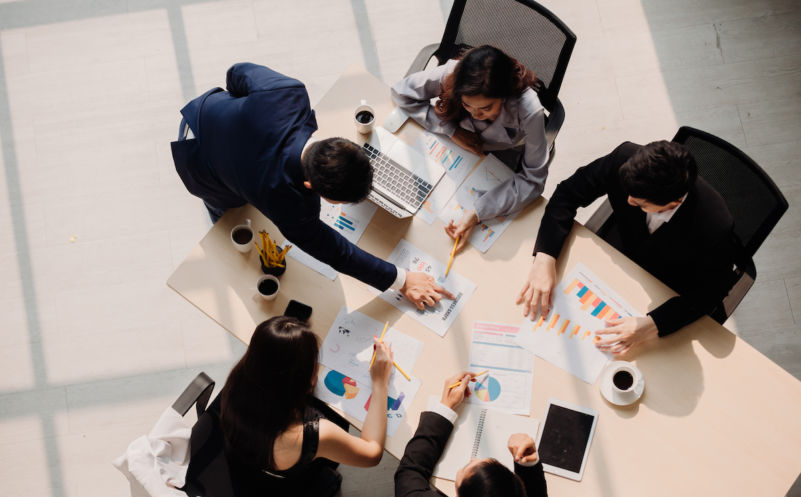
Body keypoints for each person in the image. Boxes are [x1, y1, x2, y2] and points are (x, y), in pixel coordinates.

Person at [171, 62, 451, 309]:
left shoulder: (288, 94)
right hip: (197, 161)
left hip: (207, 114)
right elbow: (337, 253)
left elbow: (237, 72)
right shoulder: (288, 204)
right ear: (309, 185)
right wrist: (401, 280)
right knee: (228, 213)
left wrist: (240, 113)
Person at [516, 140, 740, 356]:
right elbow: (568, 193)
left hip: (667, 284)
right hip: (620, 260)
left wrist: (653, 324)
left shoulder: (715, 225)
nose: (629, 201)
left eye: (640, 202)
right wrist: (545, 257)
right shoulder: (625, 158)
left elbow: (711, 292)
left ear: (673, 203)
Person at [215, 316, 393, 497]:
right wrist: (380, 383)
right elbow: (372, 453)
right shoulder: (312, 435)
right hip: (284, 484)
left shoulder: (242, 376)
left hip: (246, 450)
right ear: (307, 381)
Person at [392, 45, 549, 252]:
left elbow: (533, 180)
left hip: (499, 153)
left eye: (486, 108)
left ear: (504, 95)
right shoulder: (453, 74)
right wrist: (451, 131)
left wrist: (478, 212)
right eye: (467, 106)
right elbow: (401, 92)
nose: (476, 114)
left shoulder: (529, 110)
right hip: (456, 150)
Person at [394, 372, 551, 497]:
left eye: (466, 468)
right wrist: (529, 465)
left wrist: (445, 407)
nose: (475, 458)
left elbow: (410, 470)